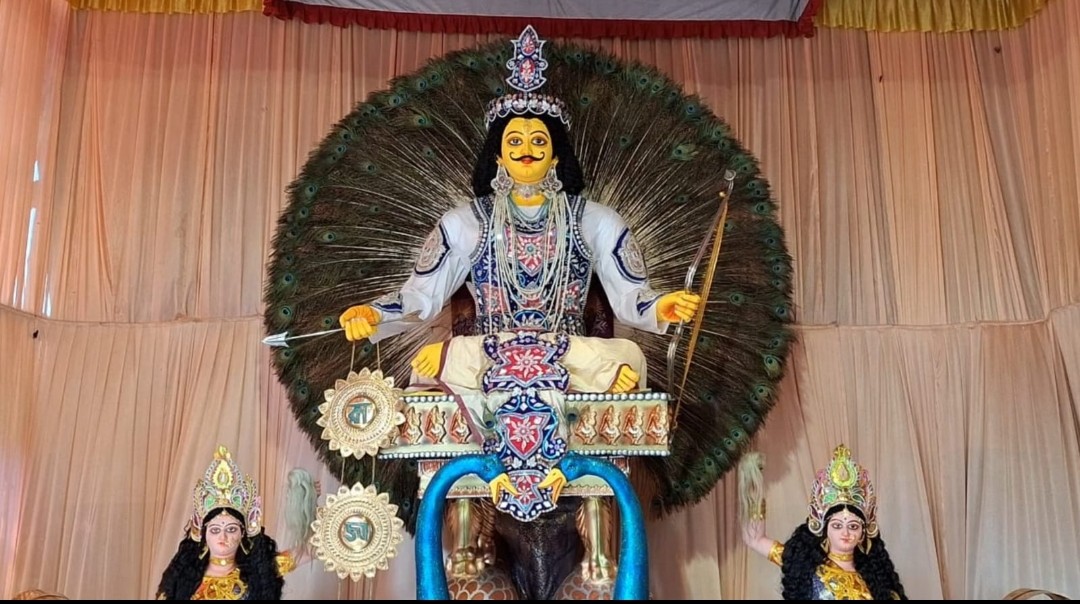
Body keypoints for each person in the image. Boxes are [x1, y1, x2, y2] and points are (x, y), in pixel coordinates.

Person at [741, 444, 908, 600]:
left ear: (864, 532)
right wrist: (753, 491)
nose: (845, 533)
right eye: (837, 526)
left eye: (853, 526)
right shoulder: (805, 564)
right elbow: (754, 539)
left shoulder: (877, 580)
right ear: (824, 528)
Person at [156, 446, 302, 600]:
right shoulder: (181, 578)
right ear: (203, 534)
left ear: (243, 533)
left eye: (231, 529)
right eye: (215, 530)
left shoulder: (261, 572)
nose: (223, 536)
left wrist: (310, 500)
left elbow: (311, 548)